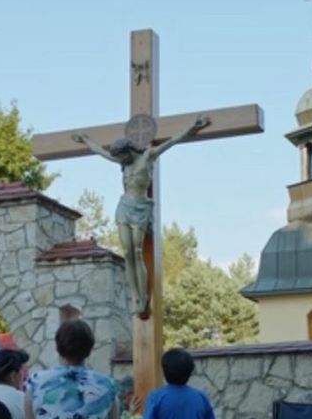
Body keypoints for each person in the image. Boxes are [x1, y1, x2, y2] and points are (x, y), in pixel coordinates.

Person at [71, 115, 211, 317]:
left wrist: (192, 126)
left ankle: (144, 298)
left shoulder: (148, 156)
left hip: (140, 207)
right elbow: (101, 152)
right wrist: (85, 140)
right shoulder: (124, 164)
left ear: (129, 151)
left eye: (121, 156)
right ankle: (135, 296)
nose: (119, 160)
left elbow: (172, 141)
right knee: (126, 253)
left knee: (136, 252)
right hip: (124, 206)